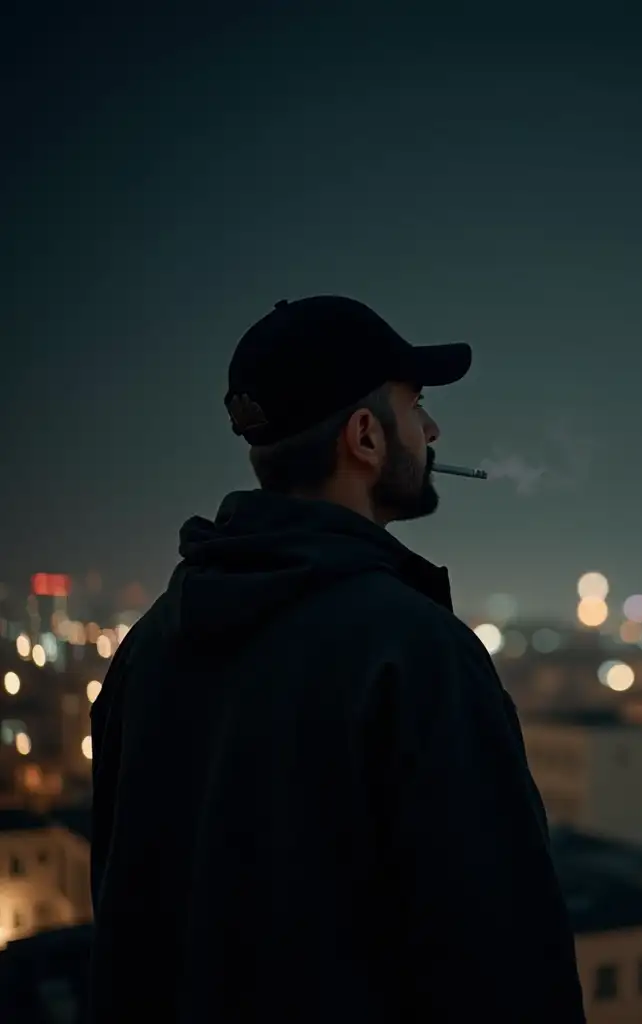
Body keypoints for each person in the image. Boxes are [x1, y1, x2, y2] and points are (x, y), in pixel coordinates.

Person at [88, 296, 586, 1023]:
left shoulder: (148, 647)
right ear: (365, 436)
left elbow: (125, 924)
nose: (434, 429)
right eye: (416, 406)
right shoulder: (417, 655)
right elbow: (504, 961)